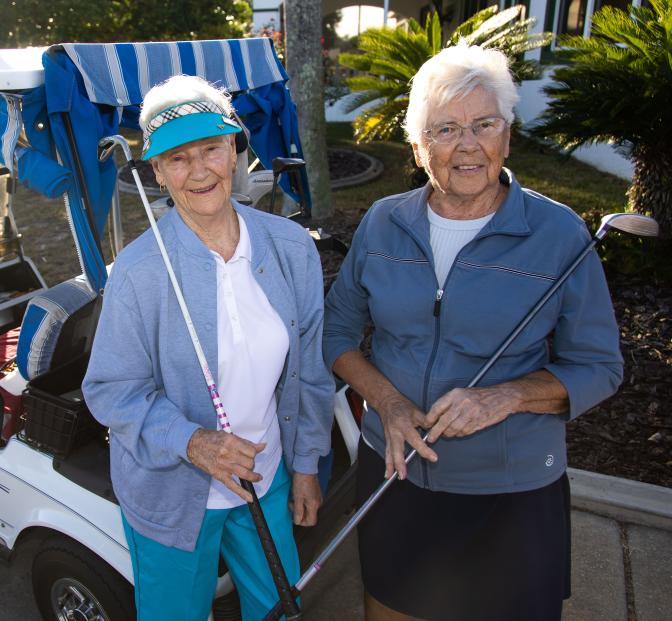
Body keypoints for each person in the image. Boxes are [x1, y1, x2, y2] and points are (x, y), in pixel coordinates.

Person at [323, 45, 623, 621]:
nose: (468, 144)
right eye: (446, 129)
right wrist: (385, 403)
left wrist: (506, 396)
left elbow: (598, 365)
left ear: (507, 136)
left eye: (484, 124)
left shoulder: (558, 233)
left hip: (509, 491)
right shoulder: (384, 221)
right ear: (418, 145)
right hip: (395, 471)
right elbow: (336, 330)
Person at [82, 75, 334, 621]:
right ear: (157, 172)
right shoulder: (137, 272)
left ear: (235, 150)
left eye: (211, 149)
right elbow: (110, 389)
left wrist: (307, 465)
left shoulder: (290, 246)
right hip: (170, 491)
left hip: (265, 477)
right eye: (177, 158)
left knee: (281, 611)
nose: (199, 171)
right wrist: (193, 442)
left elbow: (309, 371)